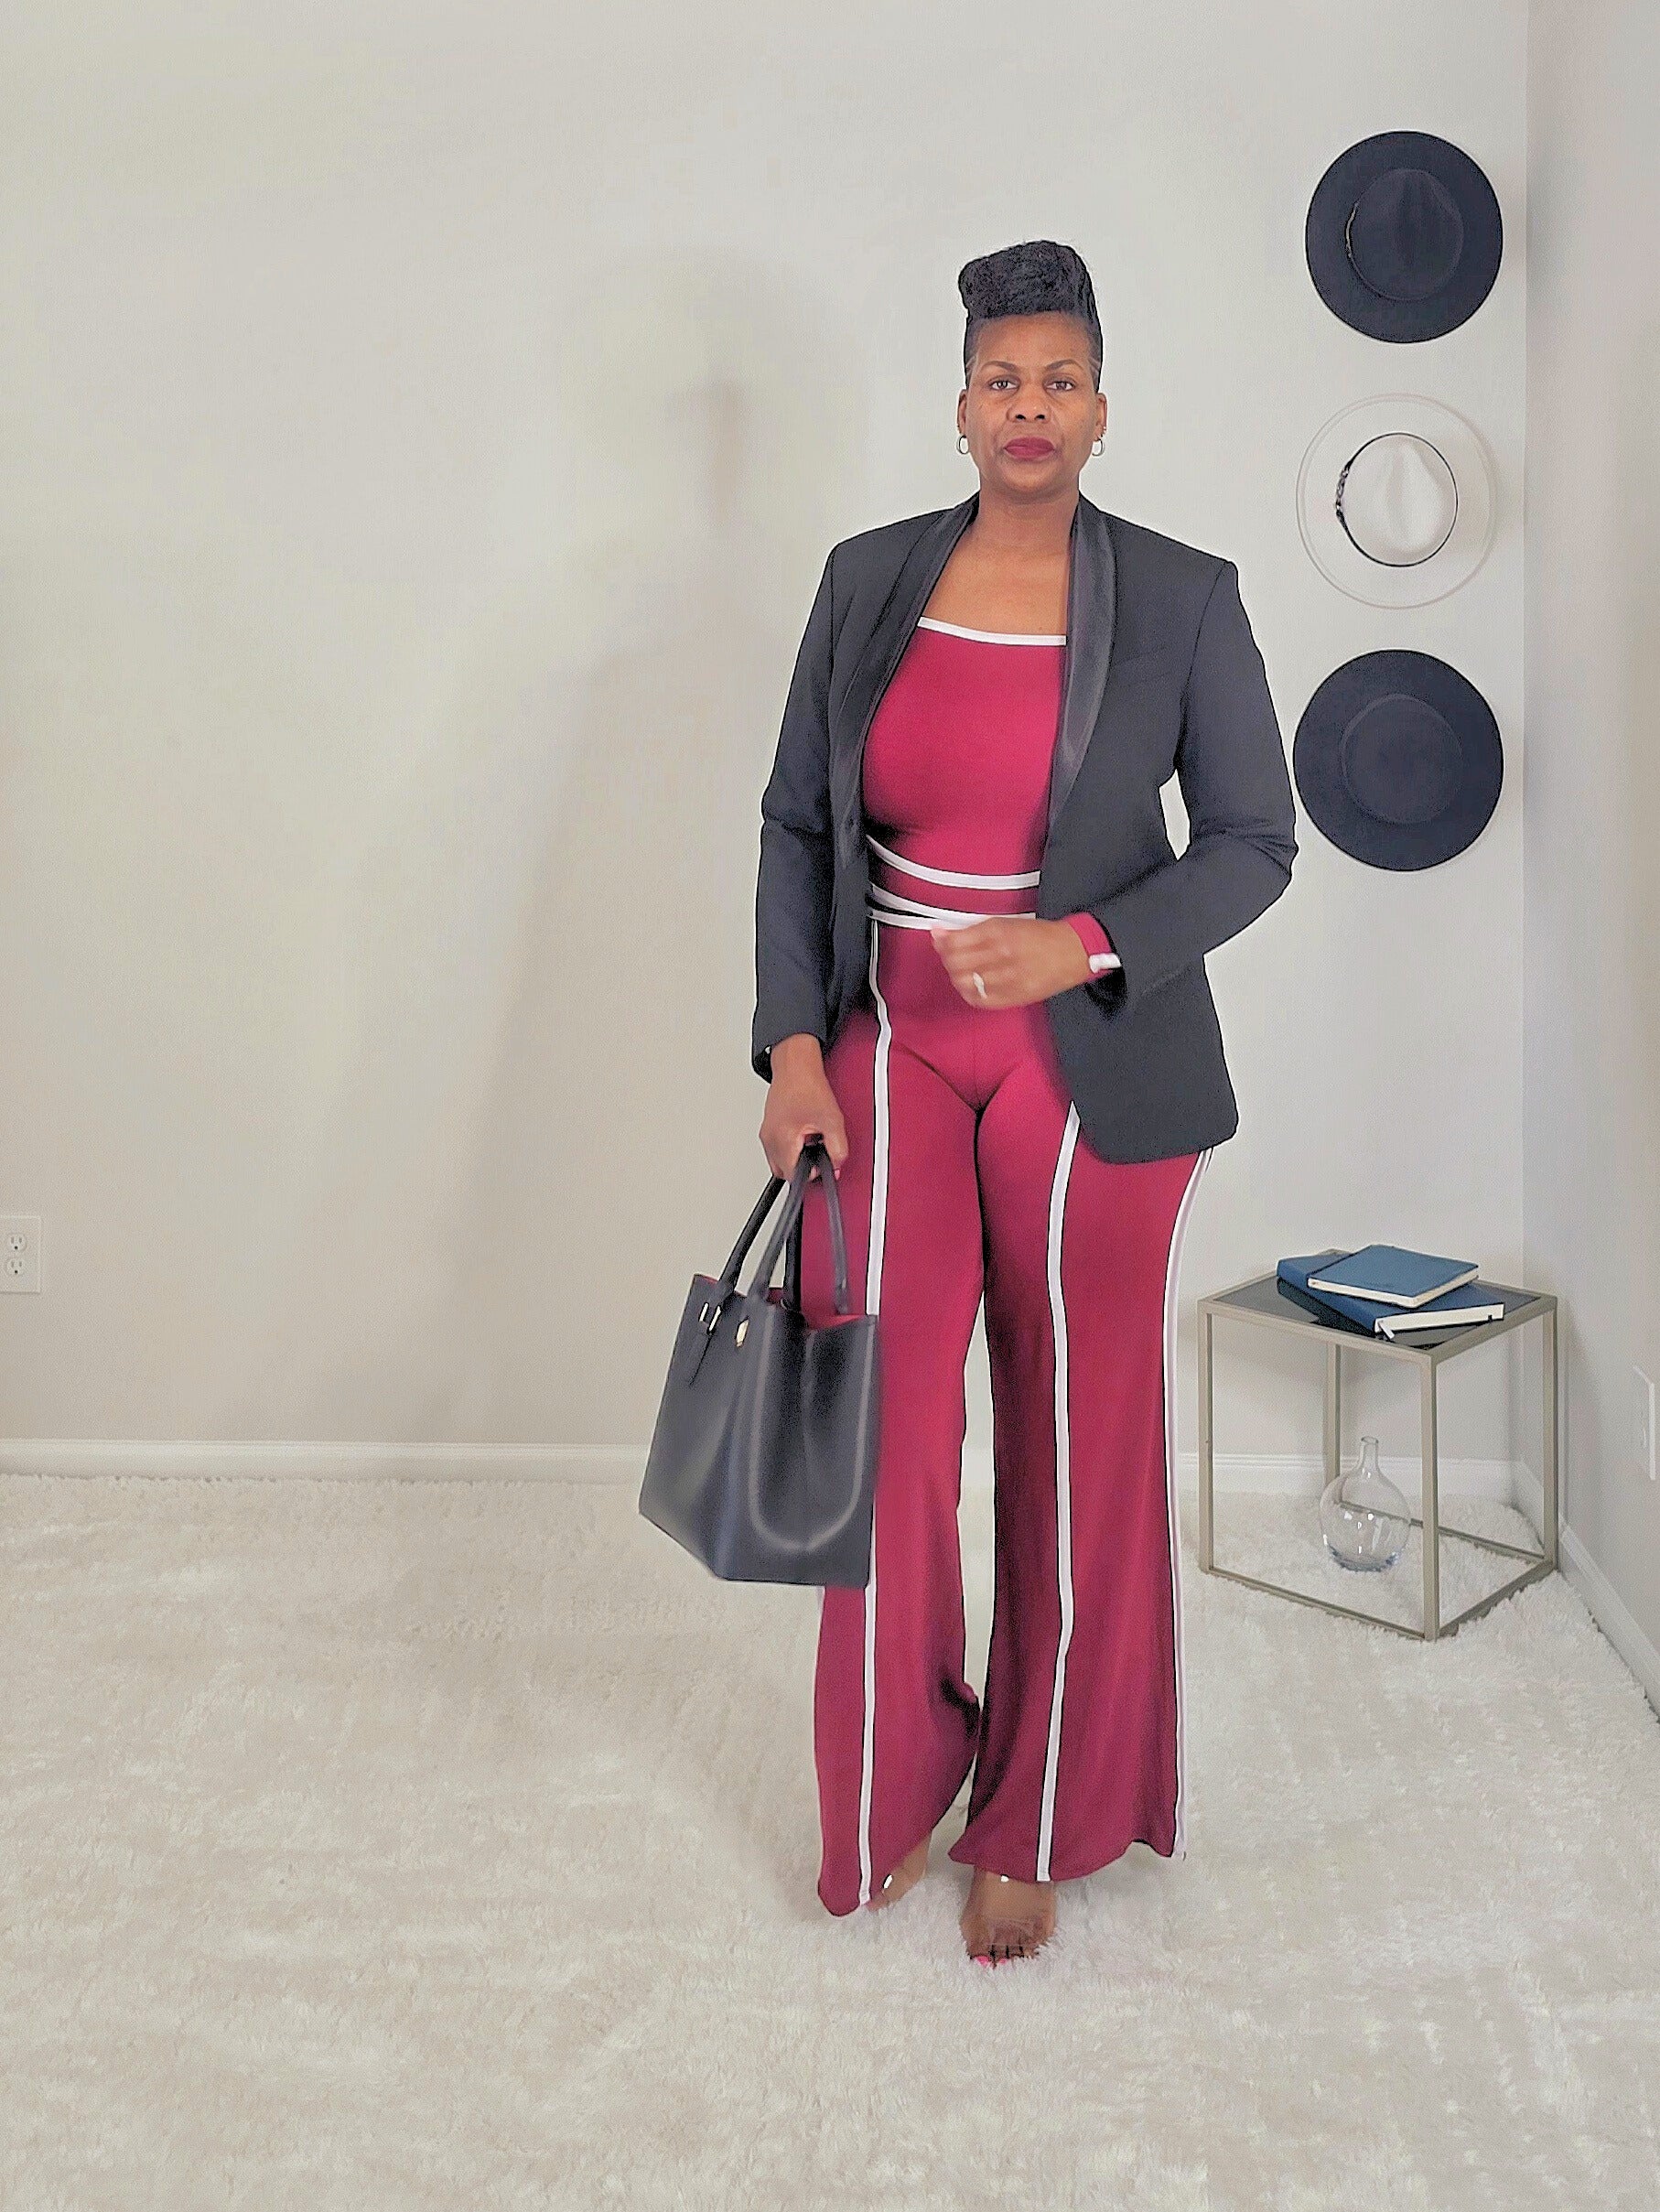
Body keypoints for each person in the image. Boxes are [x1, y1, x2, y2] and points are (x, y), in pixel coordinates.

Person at [751, 239, 1297, 1965]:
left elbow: (1255, 842)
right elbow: (792, 824)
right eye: (1003, 379)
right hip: (884, 1046)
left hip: (1091, 1062)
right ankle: (892, 1779)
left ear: (1101, 407)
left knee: (1073, 1436)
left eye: (1060, 379)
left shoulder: (1185, 595)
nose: (1030, 406)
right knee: (886, 1438)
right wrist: (785, 1051)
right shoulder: (865, 579)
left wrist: (1080, 944)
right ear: (962, 402)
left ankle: (1043, 1811)